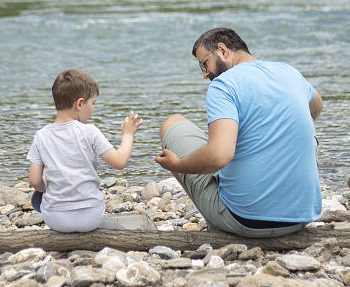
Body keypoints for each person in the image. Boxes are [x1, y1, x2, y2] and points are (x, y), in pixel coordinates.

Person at [155, 27, 322, 238]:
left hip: (246, 221)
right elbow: (316, 105)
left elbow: (218, 156)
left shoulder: (224, 84)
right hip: (300, 218)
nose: (205, 74)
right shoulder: (288, 72)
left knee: (172, 123)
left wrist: (177, 165)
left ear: (222, 50)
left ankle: (216, 222)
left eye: (204, 64)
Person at [27, 69, 142, 232]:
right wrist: (128, 134)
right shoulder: (90, 131)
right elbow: (120, 162)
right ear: (80, 103)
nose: (94, 108)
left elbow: (34, 180)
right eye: (93, 103)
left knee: (44, 184)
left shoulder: (41, 136)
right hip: (91, 217)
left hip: (56, 220)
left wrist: (44, 185)